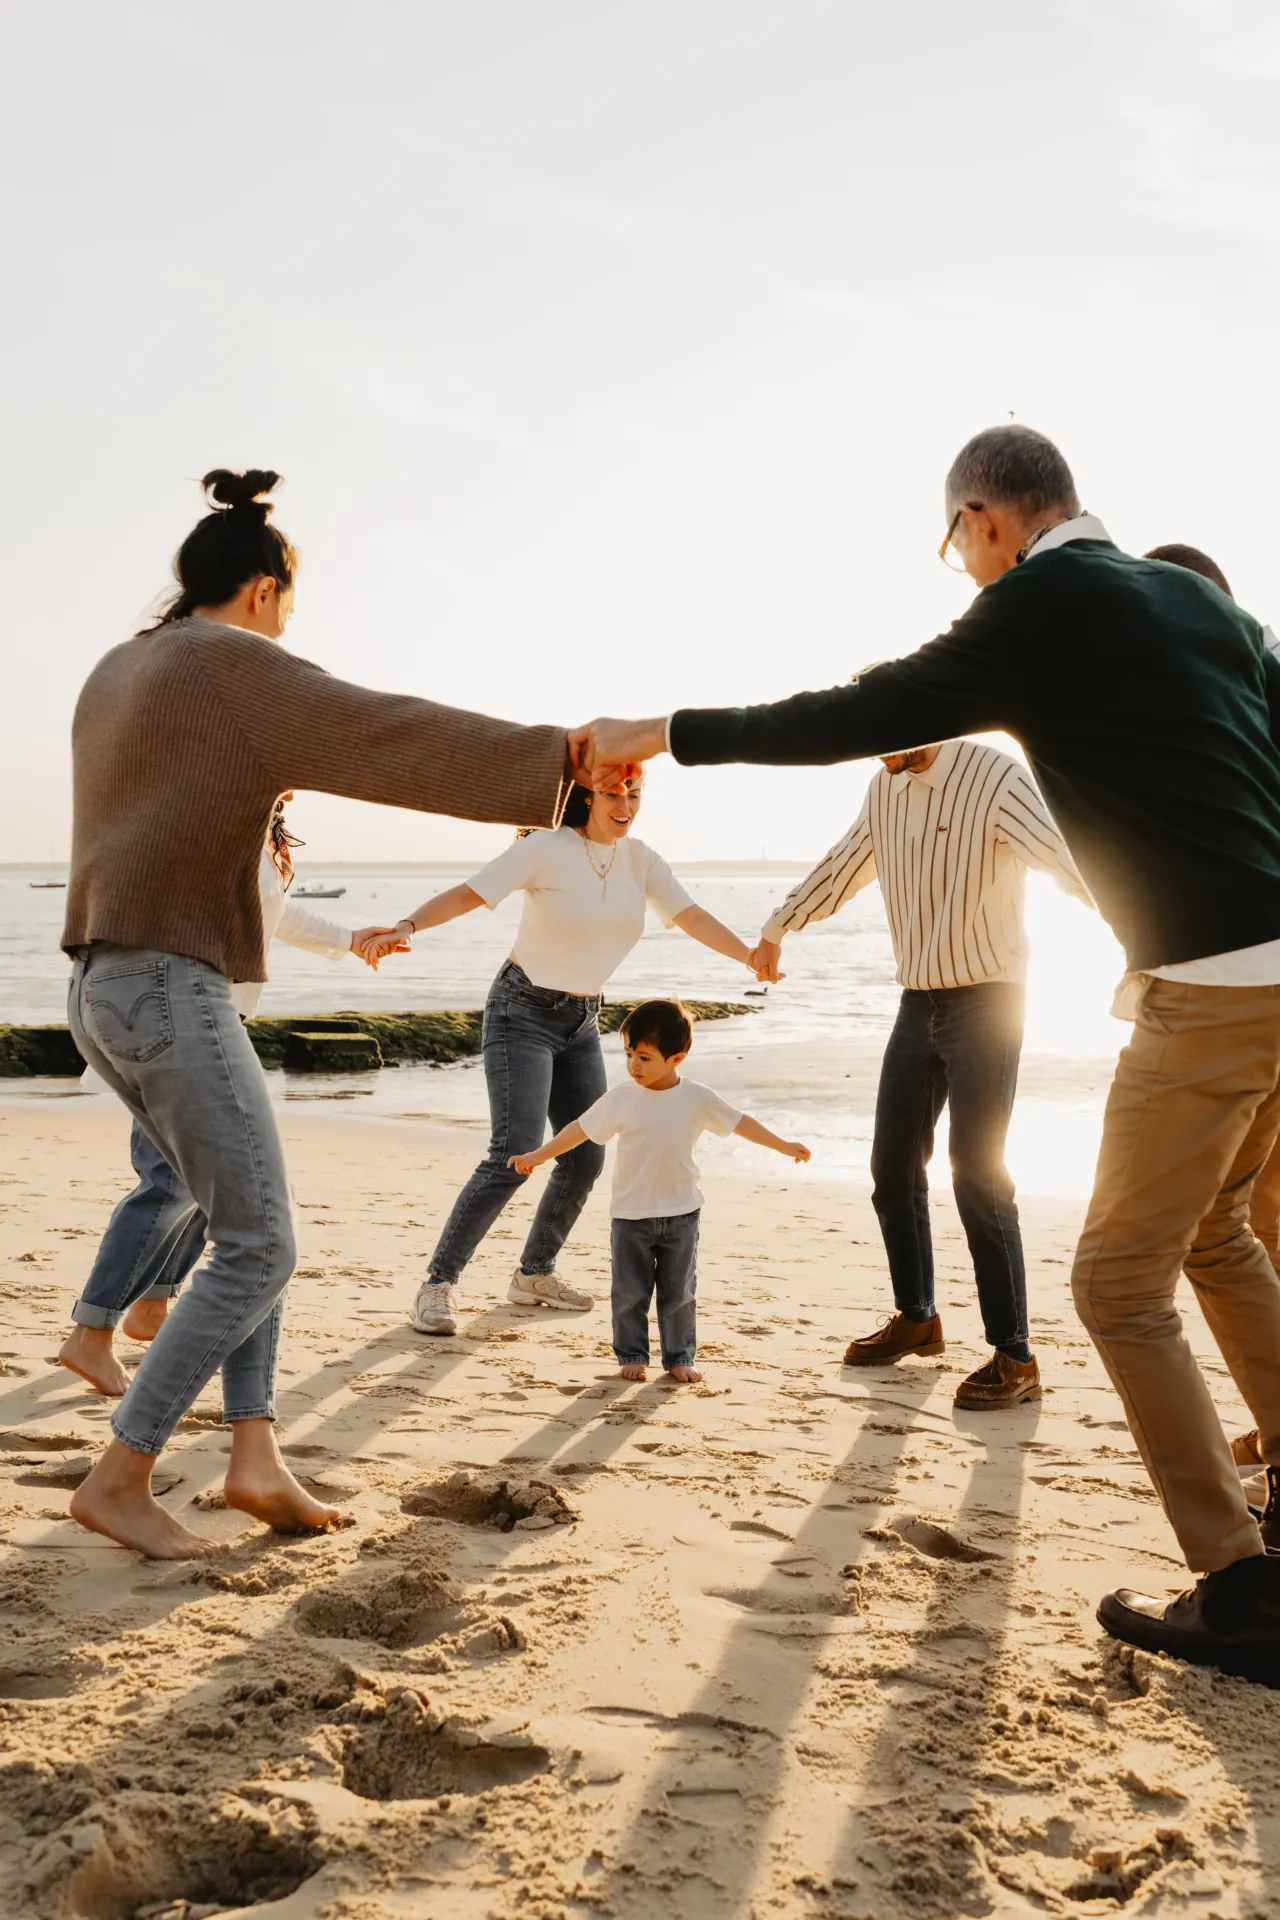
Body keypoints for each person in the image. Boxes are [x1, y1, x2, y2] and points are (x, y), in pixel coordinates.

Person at [571, 423, 1280, 1682]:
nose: (958, 567)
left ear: (984, 521)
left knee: (1117, 1286)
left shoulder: (1037, 603)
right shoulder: (1193, 599)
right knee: (1217, 1236)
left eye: (953, 544)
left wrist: (657, 728)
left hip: (1211, 990)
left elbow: (854, 711)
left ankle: (1239, 1591)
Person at [64, 467, 578, 1562]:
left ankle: (254, 1458)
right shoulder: (233, 664)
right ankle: (122, 1475)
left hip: (98, 985)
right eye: (288, 603)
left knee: (249, 1220)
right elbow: (380, 732)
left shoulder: (122, 669)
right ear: (263, 591)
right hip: (170, 983)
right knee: (260, 1243)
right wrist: (559, 765)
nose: (288, 622)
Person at [751, 737, 1089, 1407]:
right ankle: (918, 1317)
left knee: (978, 1175)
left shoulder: (992, 776)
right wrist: (778, 925)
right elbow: (845, 865)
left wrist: (1152, 932)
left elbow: (1064, 854)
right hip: (917, 1001)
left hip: (990, 999)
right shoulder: (884, 788)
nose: (876, 748)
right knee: (893, 1169)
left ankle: (1015, 1357)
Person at [359, 775, 762, 1336]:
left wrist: (747, 955)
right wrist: (405, 925)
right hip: (519, 1012)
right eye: (615, 793)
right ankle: (436, 1285)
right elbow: (469, 893)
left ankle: (533, 1274)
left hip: (582, 1018)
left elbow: (690, 915)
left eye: (635, 794)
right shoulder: (545, 849)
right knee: (515, 1150)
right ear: (588, 796)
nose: (626, 805)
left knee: (585, 1152)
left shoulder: (640, 860)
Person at [58, 795, 403, 1398]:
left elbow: (270, 912)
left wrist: (350, 938)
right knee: (175, 1183)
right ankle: (93, 1330)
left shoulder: (257, 818)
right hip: (177, 1018)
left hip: (208, 1017)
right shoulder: (213, 803)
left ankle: (151, 1305)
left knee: (207, 1181)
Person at [508, 997, 810, 1382]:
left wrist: (784, 1146)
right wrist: (540, 1154)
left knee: (679, 1293)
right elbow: (579, 1130)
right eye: (629, 1053)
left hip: (683, 1212)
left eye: (645, 1057)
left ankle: (680, 1357)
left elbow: (740, 1123)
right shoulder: (621, 1096)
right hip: (630, 1216)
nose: (634, 1065)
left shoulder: (697, 1097)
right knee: (629, 1294)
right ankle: (632, 1355)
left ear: (676, 1059)